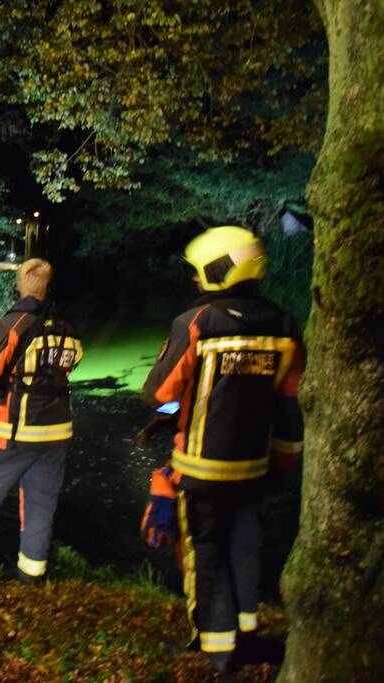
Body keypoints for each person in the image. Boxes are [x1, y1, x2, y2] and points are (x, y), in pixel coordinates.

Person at [142, 226, 304, 673]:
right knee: (246, 547)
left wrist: (170, 410)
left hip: (200, 471)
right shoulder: (285, 325)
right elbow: (290, 403)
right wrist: (284, 462)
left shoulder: (197, 323)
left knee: (206, 554)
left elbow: (160, 392)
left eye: (199, 272)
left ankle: (216, 652)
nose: (195, 280)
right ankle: (247, 634)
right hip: (255, 468)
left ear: (218, 271)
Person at [0, 258, 83, 583]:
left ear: (21, 287)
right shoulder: (67, 325)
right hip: (55, 435)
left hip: (11, 435)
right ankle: (32, 576)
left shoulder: (14, 324)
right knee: (40, 507)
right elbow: (73, 361)